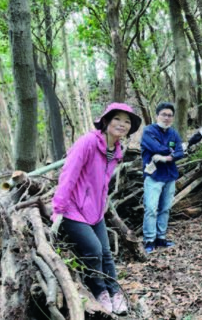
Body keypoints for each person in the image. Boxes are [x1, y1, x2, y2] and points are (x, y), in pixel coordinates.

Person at [51, 102, 142, 315]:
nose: (122, 124)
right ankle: (99, 291)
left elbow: (102, 184)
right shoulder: (88, 142)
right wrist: (58, 209)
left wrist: (100, 208)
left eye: (127, 121)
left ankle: (115, 291)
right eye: (117, 119)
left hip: (95, 211)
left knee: (107, 252)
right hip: (72, 209)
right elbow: (68, 174)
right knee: (94, 250)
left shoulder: (116, 151)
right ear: (106, 121)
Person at [141, 102, 185, 254]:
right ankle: (149, 240)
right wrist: (172, 151)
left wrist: (167, 158)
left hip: (169, 175)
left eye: (170, 115)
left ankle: (161, 237)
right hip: (153, 176)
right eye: (164, 114)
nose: (167, 118)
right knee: (151, 208)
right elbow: (156, 148)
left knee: (165, 208)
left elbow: (181, 152)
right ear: (157, 115)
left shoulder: (173, 133)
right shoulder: (148, 131)